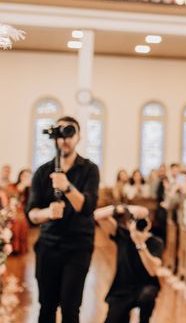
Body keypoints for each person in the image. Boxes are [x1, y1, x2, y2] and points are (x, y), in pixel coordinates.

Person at [26, 116, 100, 323]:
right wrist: (47, 213)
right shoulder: (42, 172)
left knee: (70, 307)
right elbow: (31, 214)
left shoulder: (89, 169)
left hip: (79, 247)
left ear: (78, 137)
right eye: (60, 134)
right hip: (48, 246)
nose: (64, 140)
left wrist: (66, 186)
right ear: (54, 138)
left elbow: (87, 208)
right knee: (46, 307)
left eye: (70, 133)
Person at [94, 204, 163, 323]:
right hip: (122, 288)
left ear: (149, 223)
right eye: (136, 220)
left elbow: (153, 271)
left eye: (144, 219)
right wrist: (124, 208)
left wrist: (140, 244)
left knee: (148, 295)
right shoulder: (123, 235)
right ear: (129, 223)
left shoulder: (156, 242)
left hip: (145, 287)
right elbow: (96, 215)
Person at [7, 169, 31, 254]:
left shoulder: (30, 189)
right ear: (20, 176)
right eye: (25, 176)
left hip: (22, 212)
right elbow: (11, 199)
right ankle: (12, 248)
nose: (26, 178)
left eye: (29, 176)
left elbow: (29, 204)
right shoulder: (13, 186)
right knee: (16, 222)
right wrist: (22, 186)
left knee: (23, 222)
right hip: (11, 210)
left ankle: (20, 248)